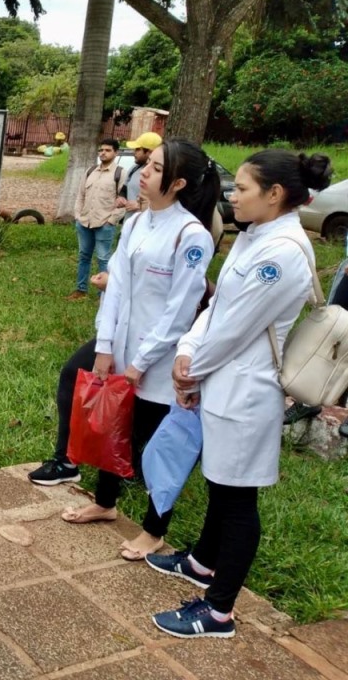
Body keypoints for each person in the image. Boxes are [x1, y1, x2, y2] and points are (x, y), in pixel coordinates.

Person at [149, 149, 331, 639]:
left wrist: (190, 373)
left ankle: (219, 610)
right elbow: (217, 305)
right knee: (220, 483)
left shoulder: (284, 254)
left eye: (244, 188)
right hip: (221, 380)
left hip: (245, 392)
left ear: (274, 195)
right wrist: (189, 349)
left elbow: (235, 328)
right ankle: (204, 562)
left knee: (236, 500)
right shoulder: (254, 237)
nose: (233, 194)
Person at [55, 140, 220, 562]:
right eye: (149, 163)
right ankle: (106, 503)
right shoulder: (136, 223)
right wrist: (106, 346)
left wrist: (141, 363)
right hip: (123, 347)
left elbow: (180, 312)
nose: (143, 170)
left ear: (178, 182)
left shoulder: (191, 235)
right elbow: (117, 290)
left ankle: (154, 529)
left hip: (162, 361)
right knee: (112, 423)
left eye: (156, 167)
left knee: (153, 447)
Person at [70, 138, 125, 300]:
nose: (103, 153)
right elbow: (80, 195)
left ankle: (105, 293)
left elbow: (123, 199)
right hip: (85, 221)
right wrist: (78, 215)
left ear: (116, 152)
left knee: (103, 258)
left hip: (104, 223)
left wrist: (112, 220)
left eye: (107, 150)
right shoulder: (90, 171)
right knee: (84, 256)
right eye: (101, 150)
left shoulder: (120, 173)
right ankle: (80, 289)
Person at [118, 132, 163, 215]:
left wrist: (139, 205)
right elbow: (125, 188)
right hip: (130, 222)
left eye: (138, 149)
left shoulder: (162, 174)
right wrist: (121, 198)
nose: (134, 152)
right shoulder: (134, 168)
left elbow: (165, 202)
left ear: (150, 152)